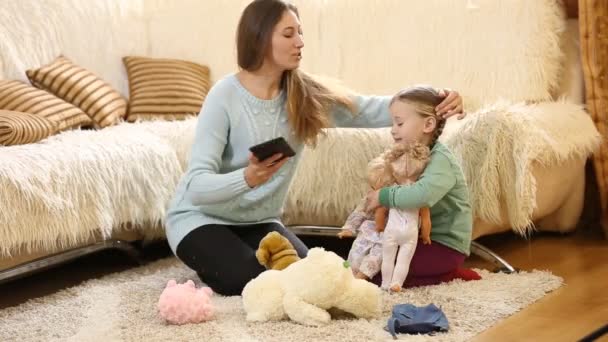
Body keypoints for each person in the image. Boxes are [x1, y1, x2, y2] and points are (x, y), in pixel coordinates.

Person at [165, 0, 465, 296]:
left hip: (258, 221)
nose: (300, 42)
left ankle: (227, 254)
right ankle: (211, 256)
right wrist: (247, 178)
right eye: (288, 34)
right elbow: (196, 187)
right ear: (259, 37)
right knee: (246, 279)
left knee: (311, 279)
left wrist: (438, 98)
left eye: (300, 32)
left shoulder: (304, 96)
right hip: (198, 217)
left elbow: (372, 109)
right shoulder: (224, 95)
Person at [365, 86, 481, 288]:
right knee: (369, 257)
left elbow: (422, 195)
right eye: (393, 122)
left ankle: (447, 274)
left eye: (399, 123)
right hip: (414, 237)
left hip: (444, 246)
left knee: (378, 272)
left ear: (428, 124)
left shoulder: (441, 159)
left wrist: (383, 196)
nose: (393, 129)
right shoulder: (408, 157)